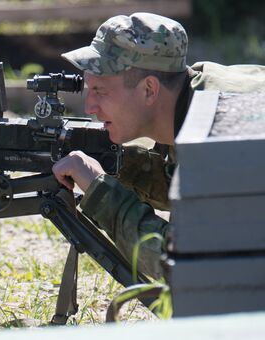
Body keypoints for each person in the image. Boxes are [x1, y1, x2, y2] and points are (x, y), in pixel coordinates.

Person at [52, 12, 265, 279]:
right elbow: (181, 185)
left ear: (149, 90)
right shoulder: (197, 95)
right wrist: (117, 164)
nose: (89, 107)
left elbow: (189, 268)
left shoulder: (221, 134)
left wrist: (100, 191)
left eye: (101, 91)